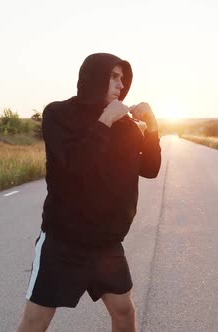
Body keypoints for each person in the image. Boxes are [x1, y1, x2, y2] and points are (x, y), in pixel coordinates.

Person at [16, 53, 161, 332]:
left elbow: (150, 168)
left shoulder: (126, 125)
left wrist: (152, 129)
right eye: (113, 77)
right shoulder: (58, 115)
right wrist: (105, 121)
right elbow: (75, 165)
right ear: (94, 78)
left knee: (123, 311)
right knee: (35, 322)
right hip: (63, 242)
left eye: (123, 78)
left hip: (106, 243)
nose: (121, 85)